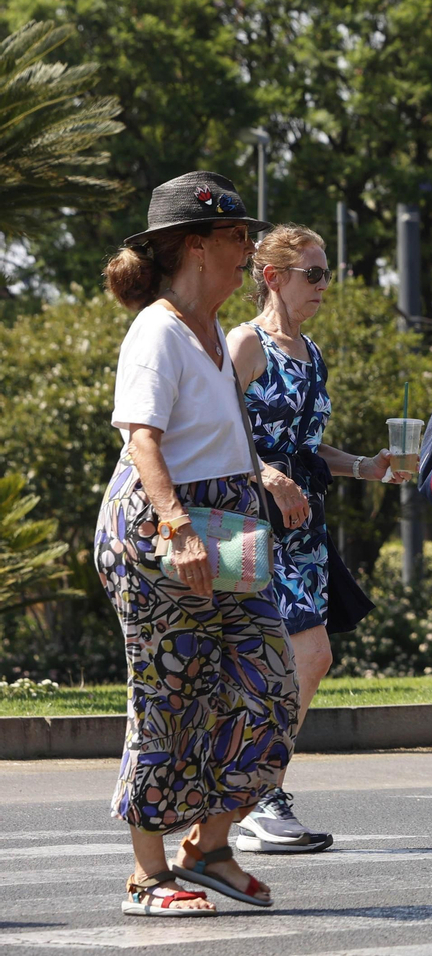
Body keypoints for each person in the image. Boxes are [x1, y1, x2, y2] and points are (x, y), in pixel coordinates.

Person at [95, 170, 293, 916]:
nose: (249, 250)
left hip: (231, 518)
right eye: (238, 237)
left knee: (271, 685)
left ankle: (208, 847)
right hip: (161, 523)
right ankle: (147, 875)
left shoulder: (216, 332)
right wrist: (178, 527)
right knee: (167, 694)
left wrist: (263, 479)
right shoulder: (157, 327)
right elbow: (142, 436)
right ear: (195, 246)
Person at [227, 224, 408, 854]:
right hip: (249, 525)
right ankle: (254, 795)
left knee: (309, 655)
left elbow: (308, 447)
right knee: (289, 655)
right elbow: (212, 434)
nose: (324, 285)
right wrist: (268, 474)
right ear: (272, 278)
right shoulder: (247, 345)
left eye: (327, 272)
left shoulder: (311, 351)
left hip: (302, 528)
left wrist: (364, 465)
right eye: (314, 274)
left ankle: (257, 789)